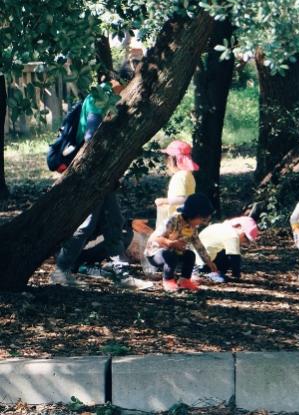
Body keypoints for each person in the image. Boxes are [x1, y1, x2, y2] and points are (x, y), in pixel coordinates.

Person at [49, 81, 152, 289]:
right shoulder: (99, 98)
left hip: (103, 178)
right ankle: (61, 269)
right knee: (87, 223)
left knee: (114, 221)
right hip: (91, 177)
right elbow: (90, 137)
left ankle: (121, 273)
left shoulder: (110, 100)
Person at [145, 193, 218, 292]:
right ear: (194, 215)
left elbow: (198, 246)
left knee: (190, 255)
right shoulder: (173, 221)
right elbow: (155, 238)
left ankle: (185, 280)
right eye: (202, 219)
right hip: (156, 253)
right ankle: (168, 280)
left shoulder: (192, 228)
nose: (202, 223)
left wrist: (208, 261)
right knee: (170, 255)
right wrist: (170, 243)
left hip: (175, 252)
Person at [195, 216, 260, 283]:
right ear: (238, 226)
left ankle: (212, 272)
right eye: (245, 237)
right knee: (231, 256)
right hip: (203, 263)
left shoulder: (222, 227)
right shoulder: (233, 236)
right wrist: (236, 275)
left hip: (198, 259)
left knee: (226, 252)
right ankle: (210, 274)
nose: (245, 241)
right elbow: (235, 258)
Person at [155, 140, 198, 227]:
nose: (166, 164)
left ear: (171, 160)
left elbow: (183, 199)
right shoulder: (188, 174)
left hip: (176, 222)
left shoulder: (180, 176)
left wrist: (164, 201)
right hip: (184, 220)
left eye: (166, 160)